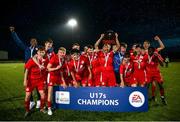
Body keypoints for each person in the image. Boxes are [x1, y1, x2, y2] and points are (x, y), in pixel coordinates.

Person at [9, 26, 40, 109]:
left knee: (37, 85)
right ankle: (32, 101)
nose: (33, 42)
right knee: (29, 85)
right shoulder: (26, 48)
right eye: (32, 41)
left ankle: (39, 101)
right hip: (27, 69)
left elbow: (47, 49)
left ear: (36, 42)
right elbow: (18, 42)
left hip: (36, 70)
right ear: (30, 42)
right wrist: (13, 33)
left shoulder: (38, 49)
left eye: (35, 41)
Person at [23, 47, 46, 117]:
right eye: (40, 52)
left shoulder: (44, 60)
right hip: (31, 80)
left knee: (43, 95)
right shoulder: (31, 60)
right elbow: (26, 70)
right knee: (27, 96)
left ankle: (42, 108)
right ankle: (27, 110)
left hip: (40, 80)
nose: (42, 53)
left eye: (43, 52)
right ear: (37, 52)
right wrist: (25, 80)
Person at [46, 47, 67, 115]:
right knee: (50, 92)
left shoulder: (63, 59)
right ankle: (49, 108)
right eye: (60, 52)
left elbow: (60, 71)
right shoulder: (54, 58)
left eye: (63, 53)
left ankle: (58, 104)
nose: (62, 54)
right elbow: (48, 68)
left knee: (64, 87)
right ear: (58, 53)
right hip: (52, 76)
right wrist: (56, 68)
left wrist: (63, 81)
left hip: (58, 76)